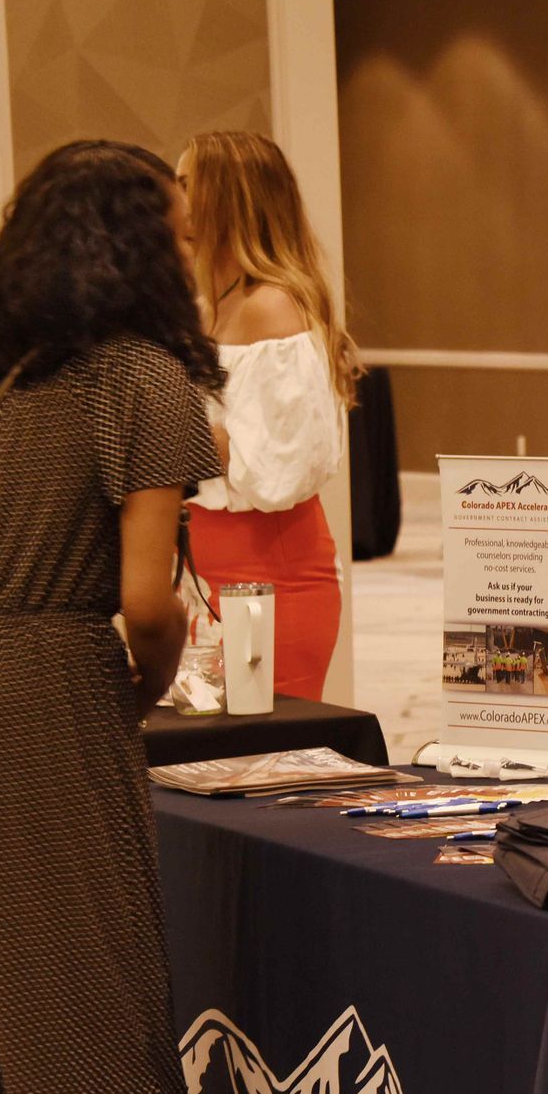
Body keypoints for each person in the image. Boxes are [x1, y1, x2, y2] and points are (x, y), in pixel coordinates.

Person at [0, 140, 224, 1094]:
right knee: (83, 1012)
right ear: (132, 245)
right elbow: (145, 598)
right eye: (177, 226)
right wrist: (145, 676)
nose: (191, 242)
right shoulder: (138, 378)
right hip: (42, 693)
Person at [177, 130, 358, 700]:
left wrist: (163, 428)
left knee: (270, 755)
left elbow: (281, 465)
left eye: (185, 186)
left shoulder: (272, 307)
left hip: (271, 569)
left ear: (226, 199)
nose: (174, 203)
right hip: (204, 566)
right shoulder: (212, 305)